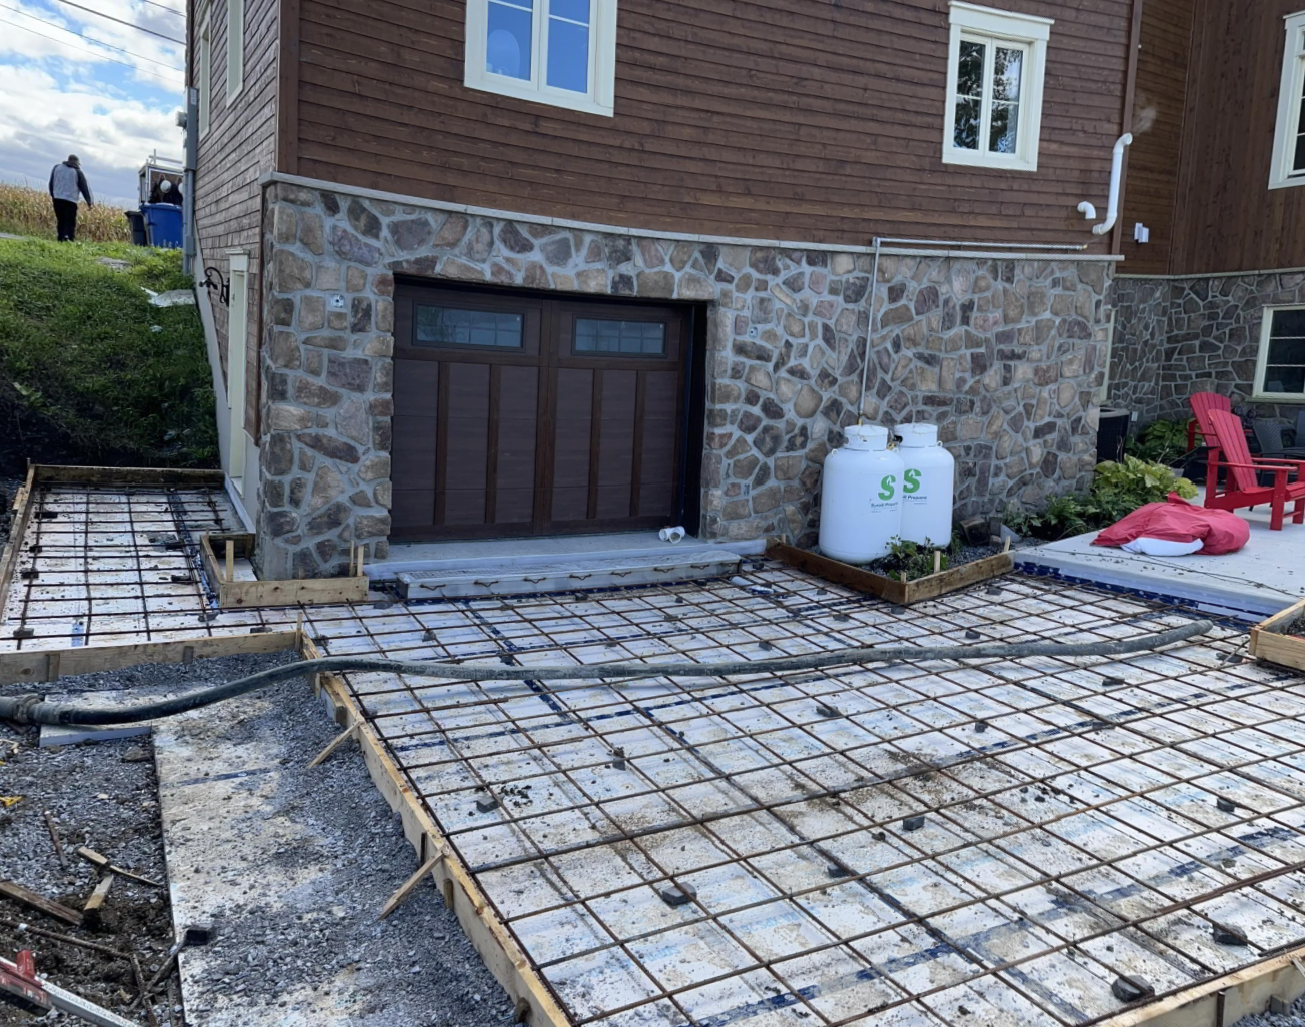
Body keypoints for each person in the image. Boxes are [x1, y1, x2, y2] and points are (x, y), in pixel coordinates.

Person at [48, 154, 93, 242]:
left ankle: (60, 238)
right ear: (76, 163)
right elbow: (84, 188)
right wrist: (89, 202)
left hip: (57, 198)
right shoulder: (77, 172)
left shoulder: (56, 168)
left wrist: (53, 195)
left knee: (60, 220)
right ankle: (69, 239)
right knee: (70, 222)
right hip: (70, 201)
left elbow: (51, 183)